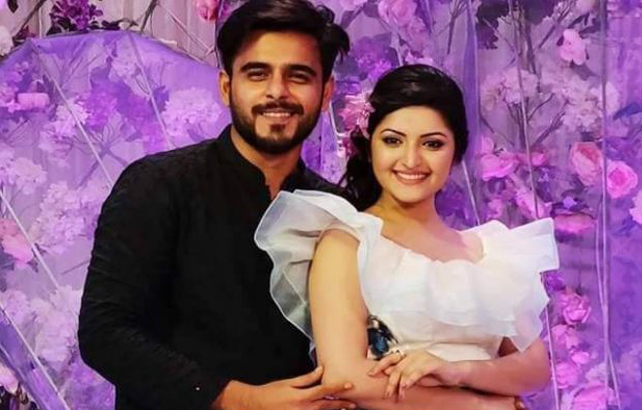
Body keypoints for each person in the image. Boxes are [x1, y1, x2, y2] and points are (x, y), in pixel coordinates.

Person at [78, 1, 357, 409]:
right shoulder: (159, 185)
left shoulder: (336, 210)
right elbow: (104, 333)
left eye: (298, 76)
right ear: (226, 87)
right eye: (257, 74)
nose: (277, 92)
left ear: (326, 92)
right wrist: (241, 399)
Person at [255, 65, 560, 410]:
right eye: (393, 141)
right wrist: (480, 405)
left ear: (456, 153)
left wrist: (457, 371)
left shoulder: (488, 252)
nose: (411, 159)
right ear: (369, 147)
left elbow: (535, 367)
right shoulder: (348, 242)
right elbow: (345, 377)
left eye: (432, 144)